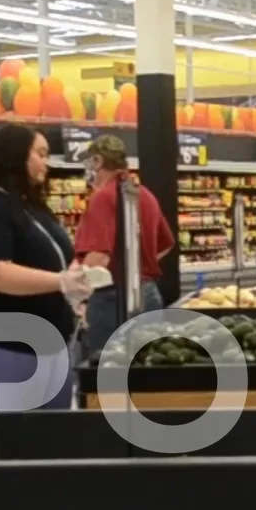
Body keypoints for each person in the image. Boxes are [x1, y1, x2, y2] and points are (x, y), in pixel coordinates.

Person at [0, 124, 91, 411]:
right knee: (22, 436)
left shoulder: (30, 206)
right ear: (16, 154)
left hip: (52, 340)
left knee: (52, 434)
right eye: (41, 154)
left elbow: (54, 256)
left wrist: (75, 285)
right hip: (9, 342)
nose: (47, 162)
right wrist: (60, 282)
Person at [72, 135, 175, 354]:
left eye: (88, 163)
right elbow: (165, 244)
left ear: (98, 161)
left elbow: (99, 258)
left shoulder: (103, 197)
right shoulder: (144, 194)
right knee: (147, 368)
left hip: (112, 299)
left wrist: (76, 296)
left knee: (105, 371)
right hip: (148, 293)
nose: (87, 170)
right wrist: (135, 266)